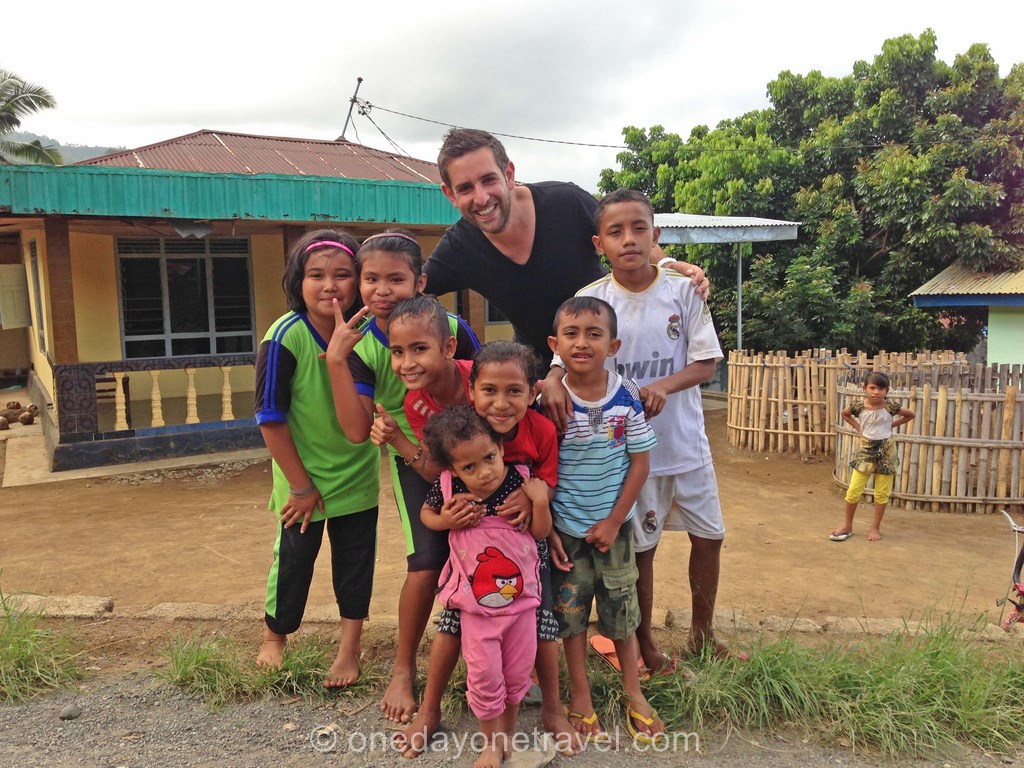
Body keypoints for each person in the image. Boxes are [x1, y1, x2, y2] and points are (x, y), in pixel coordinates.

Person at [323, 229, 479, 722]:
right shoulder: (361, 341)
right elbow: (355, 429)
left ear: (421, 281)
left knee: (495, 547)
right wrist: (335, 357)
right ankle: (403, 667)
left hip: (483, 453)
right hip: (414, 449)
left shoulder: (451, 327)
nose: (382, 290)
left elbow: (490, 382)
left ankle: (493, 656)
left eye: (396, 278)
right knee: (427, 562)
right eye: (371, 278)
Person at [398, 341, 582, 757]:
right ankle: (429, 711)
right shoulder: (462, 437)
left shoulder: (541, 431)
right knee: (452, 625)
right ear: (473, 391)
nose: (501, 403)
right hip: (472, 557)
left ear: (532, 392)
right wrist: (446, 518)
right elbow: (435, 492)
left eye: (514, 391)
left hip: (526, 550)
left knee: (543, 624)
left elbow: (547, 482)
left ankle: (553, 709)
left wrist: (536, 502)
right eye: (489, 391)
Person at [572, 188, 726, 667]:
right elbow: (570, 364)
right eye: (616, 232)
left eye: (639, 228)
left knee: (710, 538)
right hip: (632, 460)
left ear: (655, 235)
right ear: (600, 244)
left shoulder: (684, 291)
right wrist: (555, 379)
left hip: (686, 445)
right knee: (643, 552)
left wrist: (660, 386)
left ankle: (703, 634)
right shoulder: (590, 300)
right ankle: (646, 645)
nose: (629, 239)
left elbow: (705, 363)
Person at [423, 127, 709, 374]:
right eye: (466, 188)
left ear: (508, 174)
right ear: (450, 195)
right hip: (543, 375)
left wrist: (668, 265)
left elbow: (625, 229)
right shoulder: (459, 247)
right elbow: (411, 291)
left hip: (611, 358)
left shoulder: (566, 203)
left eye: (488, 180)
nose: (481, 197)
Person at [253, 229, 379, 688]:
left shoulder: (369, 333)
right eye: (316, 275)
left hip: (357, 475)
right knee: (293, 561)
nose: (330, 286)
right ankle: (275, 637)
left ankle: (349, 650)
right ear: (296, 282)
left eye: (343, 275)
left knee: (355, 564)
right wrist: (301, 487)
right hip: (303, 482)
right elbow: (270, 418)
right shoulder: (283, 336)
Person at [546, 296, 664, 745]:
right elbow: (541, 462)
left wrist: (616, 521)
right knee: (571, 617)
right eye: (571, 334)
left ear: (613, 345)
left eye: (594, 334)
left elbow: (639, 463)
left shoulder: (626, 396)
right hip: (566, 534)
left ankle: (633, 693)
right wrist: (550, 527)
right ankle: (581, 697)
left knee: (622, 613)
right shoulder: (548, 399)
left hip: (614, 532)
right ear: (555, 344)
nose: (582, 343)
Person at [420, 405, 552, 768]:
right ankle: (490, 744)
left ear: (500, 446)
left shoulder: (521, 482)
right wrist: (444, 519)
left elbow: (539, 533)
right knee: (484, 677)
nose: (484, 472)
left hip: (523, 607)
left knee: (516, 675)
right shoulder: (448, 488)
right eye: (469, 467)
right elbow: (426, 514)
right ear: (452, 469)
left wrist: (539, 502)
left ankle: (506, 739)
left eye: (489, 458)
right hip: (476, 612)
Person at [829, 372, 915, 542]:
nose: (876, 392)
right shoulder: (858, 407)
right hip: (866, 451)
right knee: (853, 490)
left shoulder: (891, 407)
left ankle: (875, 528)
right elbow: (844, 413)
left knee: (881, 493)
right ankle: (847, 525)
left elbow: (910, 414)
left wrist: (892, 424)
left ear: (887, 390)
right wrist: (859, 428)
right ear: (864, 388)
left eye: (881, 388)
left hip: (887, 452)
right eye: (872, 388)